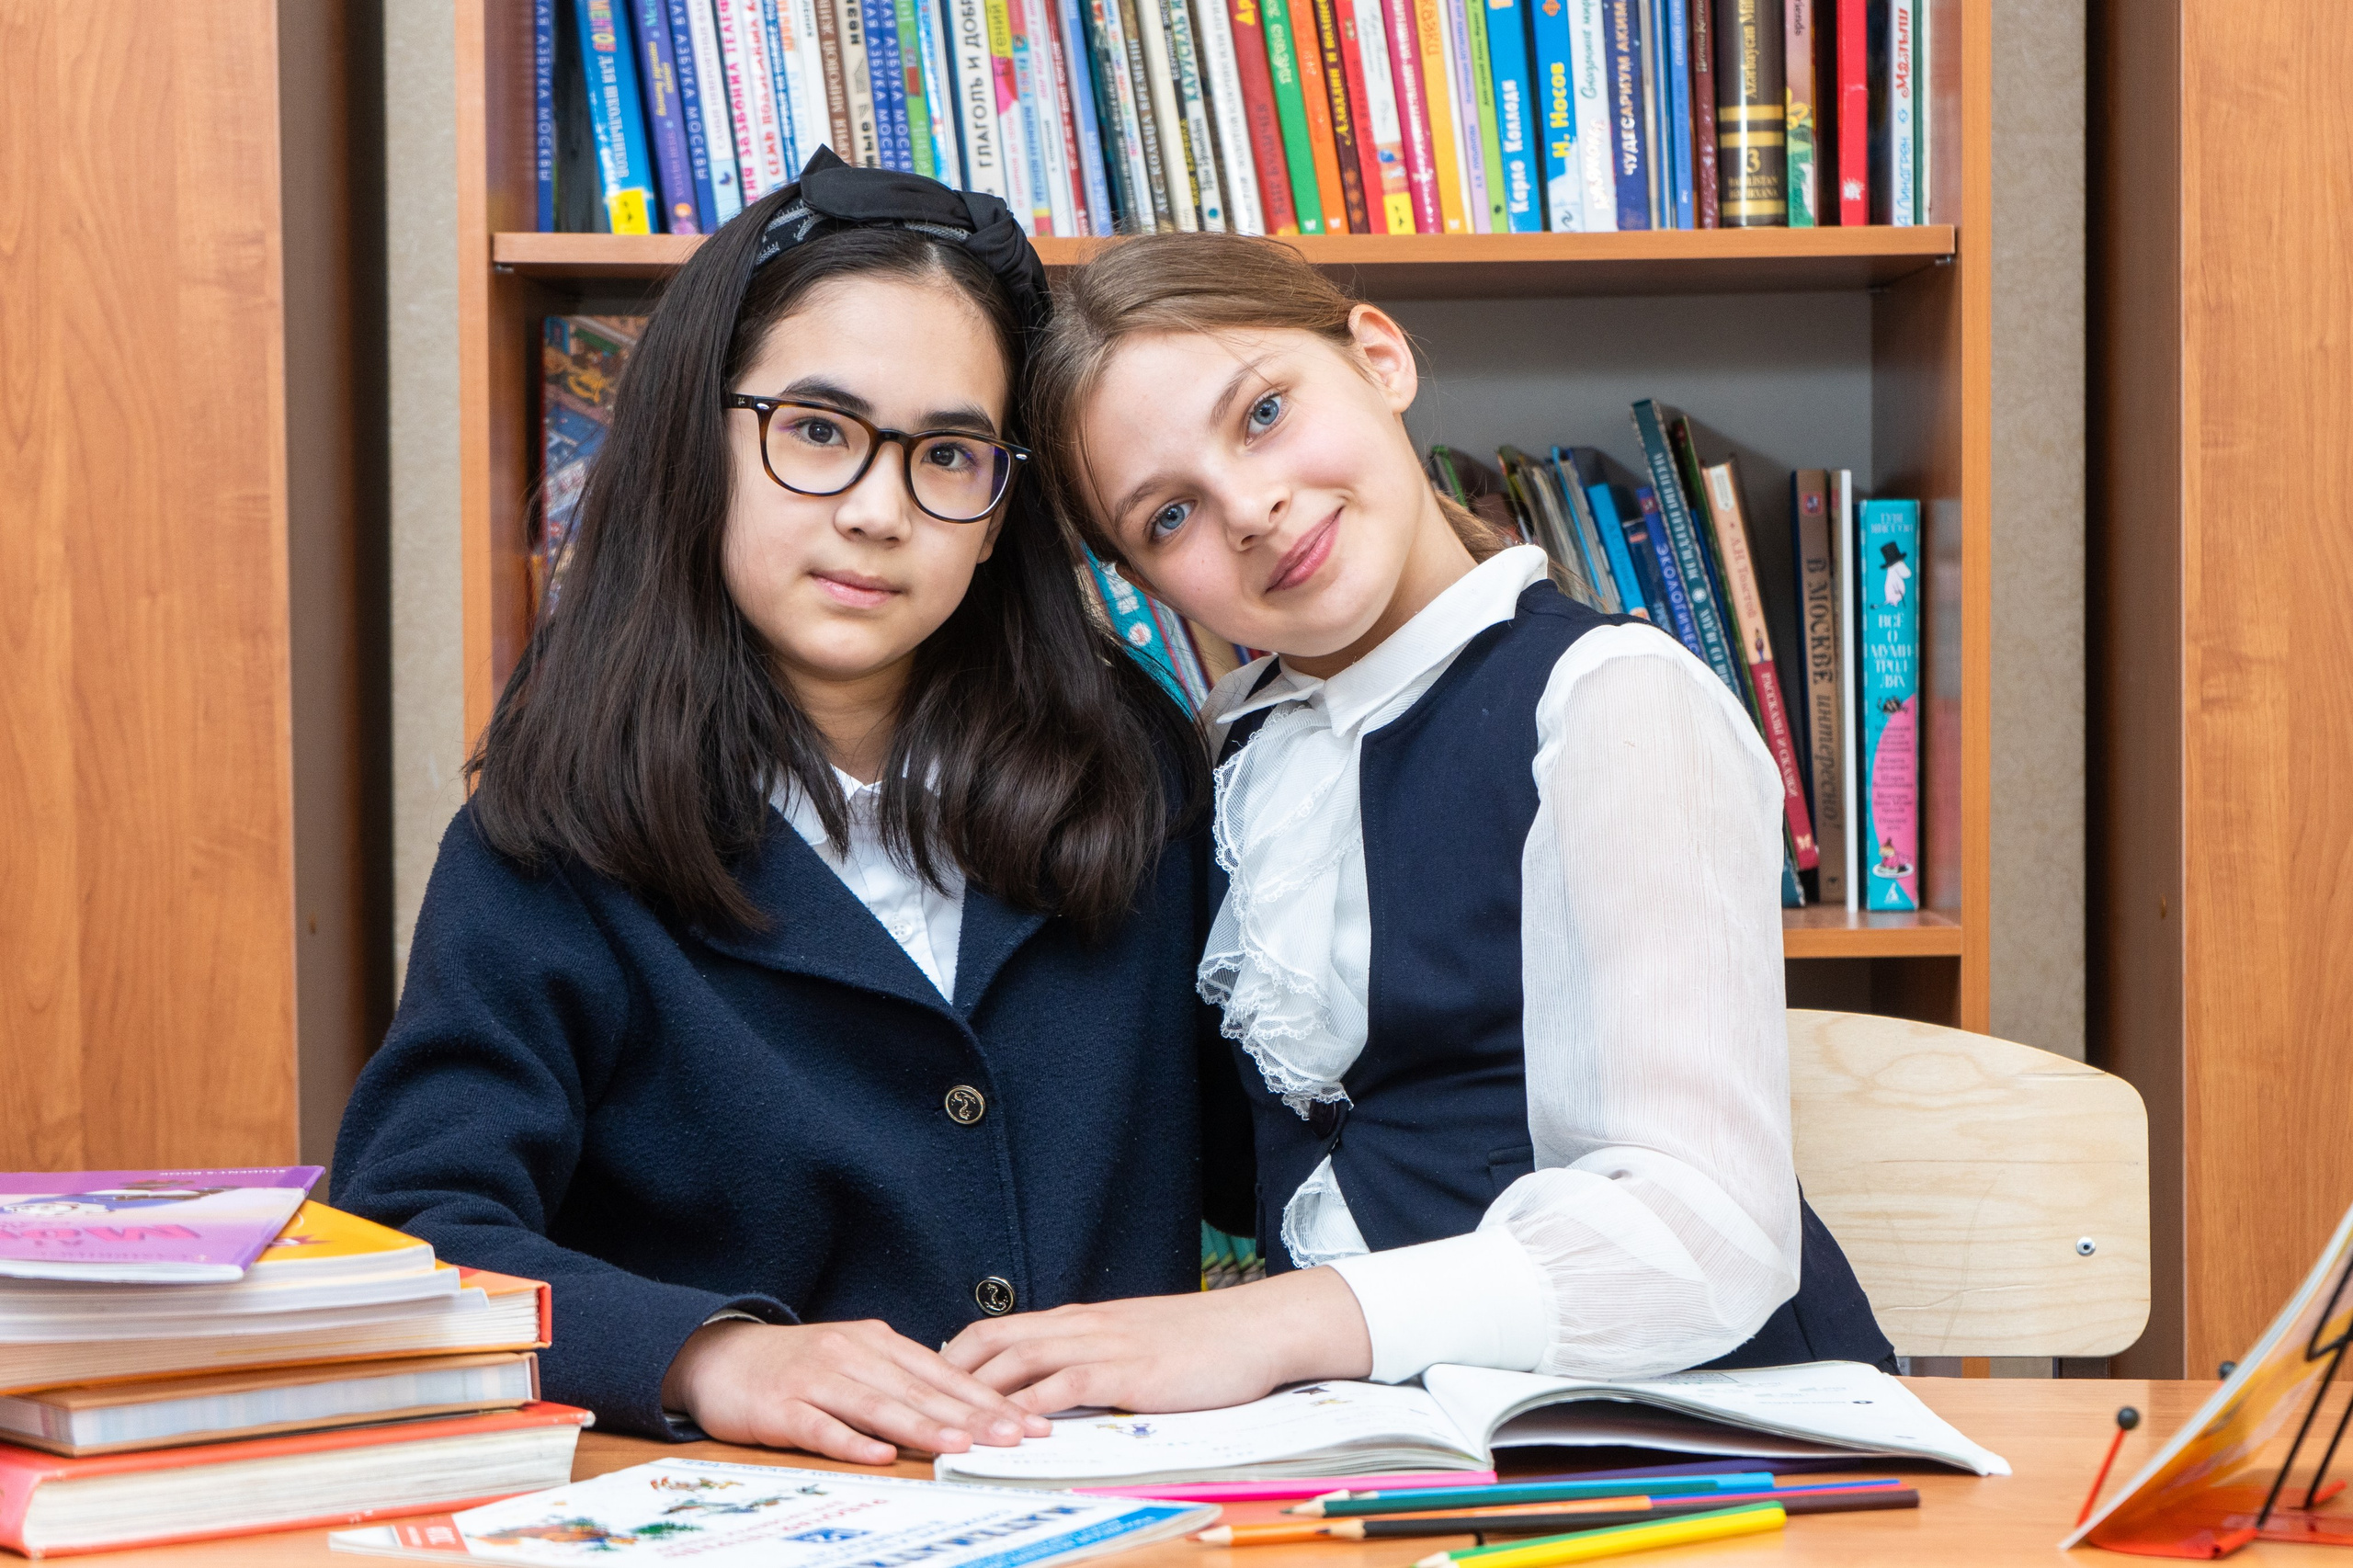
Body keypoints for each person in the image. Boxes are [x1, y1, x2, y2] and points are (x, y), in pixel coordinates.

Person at [331, 155, 1251, 1460]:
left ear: (999, 515)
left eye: (949, 455)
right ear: (697, 443)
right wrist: (706, 1352)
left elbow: (1301, 1149)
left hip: (1129, 1509)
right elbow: (409, 1233)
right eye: (817, 430)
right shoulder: (549, 838)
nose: (878, 512)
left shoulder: (1138, 776)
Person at [942, 233, 1891, 1416]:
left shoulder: (1608, 701)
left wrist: (1274, 1324)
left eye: (1264, 413)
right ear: (1140, 584)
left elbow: (1708, 1232)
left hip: (1699, 1430)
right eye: (1169, 515)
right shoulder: (1225, 758)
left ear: (1379, 357)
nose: (1251, 508)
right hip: (1388, 1439)